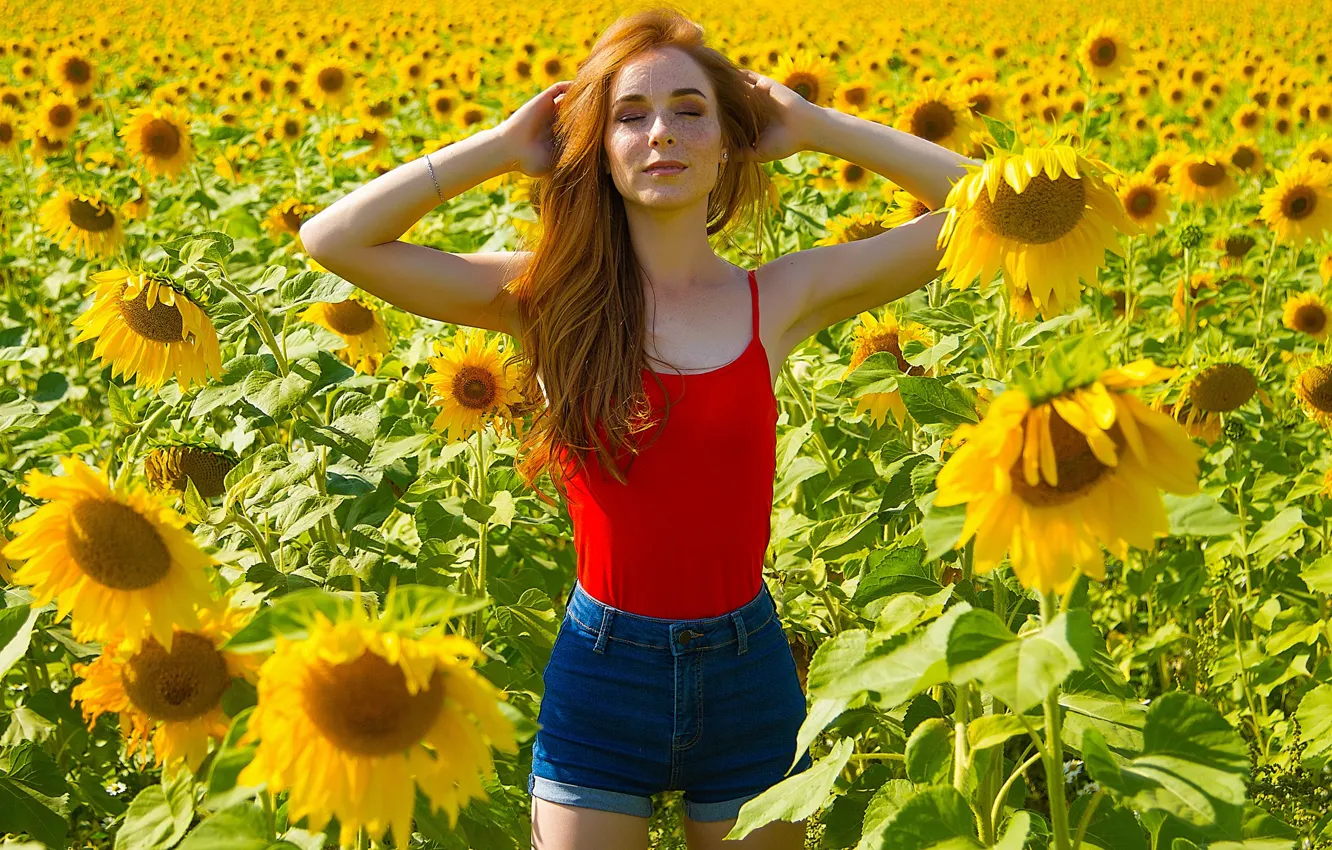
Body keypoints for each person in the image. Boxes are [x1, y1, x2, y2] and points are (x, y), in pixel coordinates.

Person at [300, 7, 974, 848]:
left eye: (691, 110)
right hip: (602, 674)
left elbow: (983, 207)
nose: (662, 134)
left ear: (731, 138)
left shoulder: (779, 298)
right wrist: (504, 147)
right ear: (599, 147)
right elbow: (333, 239)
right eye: (629, 115)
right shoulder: (546, 300)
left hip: (749, 672)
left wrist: (813, 124)